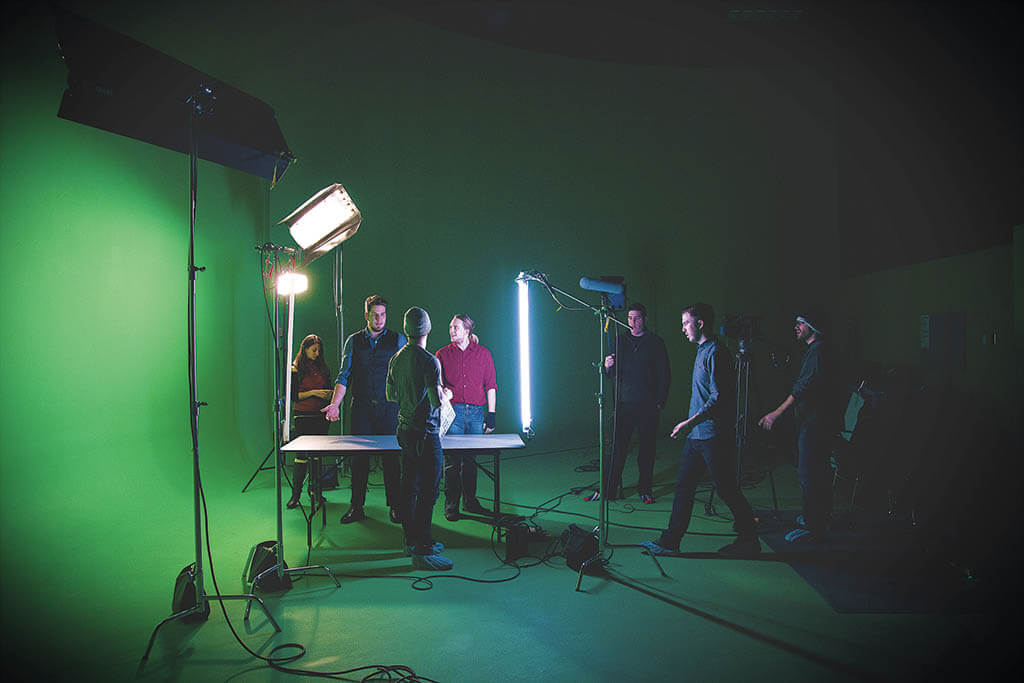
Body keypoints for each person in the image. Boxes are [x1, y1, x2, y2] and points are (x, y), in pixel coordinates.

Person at [639, 303, 759, 556]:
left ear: (700, 323)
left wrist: (689, 422)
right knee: (684, 487)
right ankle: (670, 541)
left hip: (713, 436)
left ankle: (749, 539)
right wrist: (692, 426)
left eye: (686, 323)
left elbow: (719, 398)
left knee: (726, 488)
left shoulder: (717, 353)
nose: (683, 329)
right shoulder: (703, 350)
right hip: (696, 436)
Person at [323, 295, 407, 525]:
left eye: (383, 315)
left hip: (389, 408)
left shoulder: (398, 340)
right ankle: (356, 506)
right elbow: (344, 375)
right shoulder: (353, 341)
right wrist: (335, 404)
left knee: (392, 459)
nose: (379, 319)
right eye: (375, 315)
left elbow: (405, 374)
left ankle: (396, 506)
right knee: (359, 459)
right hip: (361, 408)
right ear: (366, 315)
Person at [758, 312, 837, 543]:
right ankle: (819, 518)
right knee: (817, 471)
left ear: (813, 326)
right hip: (814, 421)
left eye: (801, 323)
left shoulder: (818, 351)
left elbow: (803, 387)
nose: (796, 327)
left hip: (814, 423)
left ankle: (814, 527)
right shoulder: (815, 351)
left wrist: (776, 413)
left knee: (809, 474)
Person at [386, 307, 453, 570]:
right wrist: (445, 393)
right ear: (428, 329)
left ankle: (410, 541)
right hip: (427, 433)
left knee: (409, 487)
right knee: (429, 490)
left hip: (404, 430)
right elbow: (436, 401)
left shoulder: (396, 359)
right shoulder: (429, 361)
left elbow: (391, 396)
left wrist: (410, 393)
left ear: (406, 330)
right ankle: (424, 549)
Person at [587, 302, 670, 503]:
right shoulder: (620, 341)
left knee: (647, 450)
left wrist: (660, 402)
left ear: (645, 319)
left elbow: (665, 374)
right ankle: (607, 490)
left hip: (648, 405)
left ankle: (645, 490)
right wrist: (607, 366)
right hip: (624, 404)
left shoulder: (655, 342)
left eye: (637, 318)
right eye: (630, 318)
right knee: (617, 449)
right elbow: (611, 374)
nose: (633, 322)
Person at [435, 314, 497, 521]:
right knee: (452, 461)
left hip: (477, 413)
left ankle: (470, 501)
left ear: (467, 330)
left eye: (456, 327)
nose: (452, 330)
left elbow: (491, 385)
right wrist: (443, 392)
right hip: (453, 413)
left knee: (470, 460)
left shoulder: (483, 354)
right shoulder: (442, 354)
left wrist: (492, 414)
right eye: (450, 327)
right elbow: (436, 385)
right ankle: (451, 505)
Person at [287, 334, 334, 509]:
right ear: (305, 349)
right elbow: (293, 396)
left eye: (318, 350)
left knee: (317, 456)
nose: (316, 353)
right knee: (301, 456)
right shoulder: (295, 369)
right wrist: (314, 392)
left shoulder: (324, 368)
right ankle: (295, 495)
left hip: (320, 416)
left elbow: (329, 388)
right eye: (313, 350)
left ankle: (316, 492)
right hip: (303, 416)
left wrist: (328, 394)